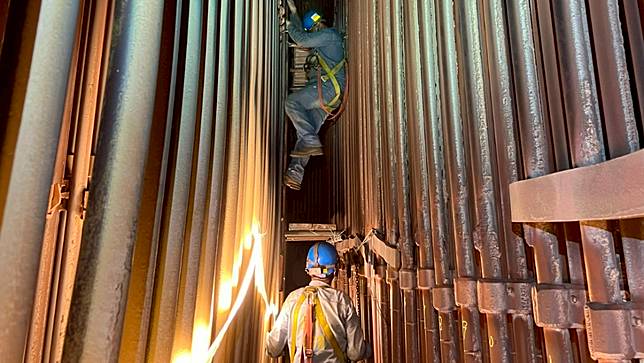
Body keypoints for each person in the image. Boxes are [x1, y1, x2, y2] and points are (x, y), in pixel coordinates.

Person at [266, 242, 371, 362]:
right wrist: (367, 349)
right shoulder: (342, 302)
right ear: (334, 270)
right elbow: (355, 353)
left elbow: (273, 349)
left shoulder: (292, 299)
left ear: (308, 270)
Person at [283, 1, 346, 191]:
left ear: (317, 26)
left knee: (292, 103)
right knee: (307, 129)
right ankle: (295, 174)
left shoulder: (329, 35)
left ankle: (310, 140)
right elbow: (304, 33)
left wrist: (288, 25)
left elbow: (301, 39)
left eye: (312, 30)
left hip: (328, 89)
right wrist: (294, 13)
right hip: (329, 95)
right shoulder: (326, 41)